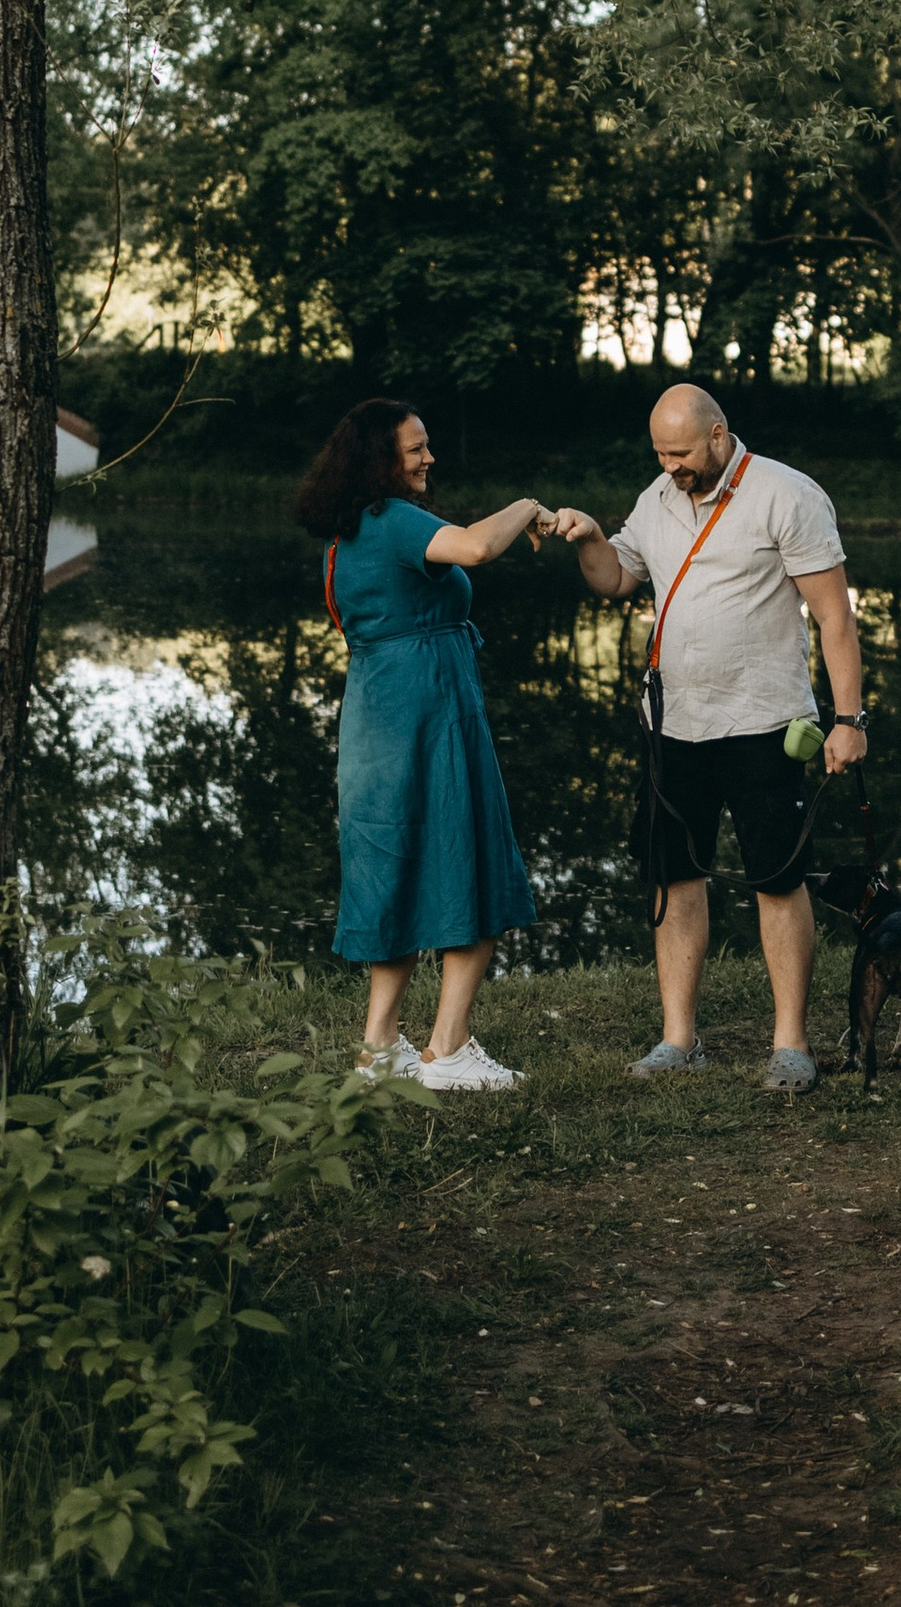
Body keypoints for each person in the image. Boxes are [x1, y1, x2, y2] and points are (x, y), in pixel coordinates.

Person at [549, 382, 867, 1093]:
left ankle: (790, 1044)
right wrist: (591, 538)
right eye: (661, 453)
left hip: (764, 725)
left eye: (683, 452)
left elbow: (834, 618)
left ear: (719, 435)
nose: (672, 466)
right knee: (673, 875)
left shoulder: (787, 495)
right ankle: (678, 1038)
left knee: (777, 880)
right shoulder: (657, 498)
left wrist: (849, 720)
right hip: (673, 728)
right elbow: (615, 581)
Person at [295, 395, 548, 1093]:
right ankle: (448, 1049)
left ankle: (380, 1050)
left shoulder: (348, 532)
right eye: (417, 448)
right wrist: (529, 505)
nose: (429, 457)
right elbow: (475, 546)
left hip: (378, 714)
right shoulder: (396, 520)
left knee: (395, 867)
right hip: (430, 713)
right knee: (472, 863)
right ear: (382, 460)